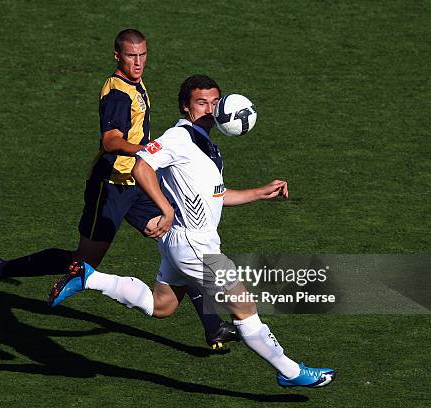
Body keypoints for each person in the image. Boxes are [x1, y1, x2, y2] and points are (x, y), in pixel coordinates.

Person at [48, 75, 336, 388]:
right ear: (186, 107)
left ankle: (89, 277)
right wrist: (166, 208)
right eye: (201, 102)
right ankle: (291, 371)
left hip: (181, 244)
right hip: (194, 244)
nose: (210, 109)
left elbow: (216, 196)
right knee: (244, 306)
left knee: (162, 306)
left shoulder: (207, 145)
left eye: (215, 102)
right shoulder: (178, 137)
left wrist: (258, 192)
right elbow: (140, 166)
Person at [0, 29, 239, 350]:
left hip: (136, 186)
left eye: (142, 55)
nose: (138, 62)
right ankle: (0, 268)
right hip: (110, 187)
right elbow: (110, 141)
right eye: (131, 56)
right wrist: (148, 150)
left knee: (180, 238)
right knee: (83, 260)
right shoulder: (116, 92)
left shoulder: (135, 85)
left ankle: (213, 327)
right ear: (117, 57)